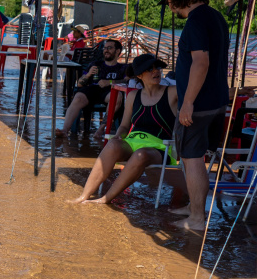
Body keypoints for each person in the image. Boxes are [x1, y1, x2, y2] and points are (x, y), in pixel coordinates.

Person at [162, 0, 229, 231]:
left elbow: (201, 63)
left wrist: (187, 102)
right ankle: (194, 207)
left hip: (199, 104)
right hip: (216, 99)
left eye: (169, 1)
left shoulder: (194, 22)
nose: (169, 7)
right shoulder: (215, 16)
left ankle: (198, 218)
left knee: (192, 158)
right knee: (194, 157)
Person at [68, 54, 178, 204]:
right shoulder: (133, 95)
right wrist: (119, 135)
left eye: (157, 68)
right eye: (150, 69)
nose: (156, 72)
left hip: (159, 146)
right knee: (112, 144)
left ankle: (106, 198)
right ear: (139, 75)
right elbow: (125, 125)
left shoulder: (172, 92)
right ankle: (84, 196)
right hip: (133, 142)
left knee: (141, 154)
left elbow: (192, 91)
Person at [55, 39, 127, 138]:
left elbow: (127, 81)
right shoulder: (95, 64)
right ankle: (65, 130)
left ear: (118, 51)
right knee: (78, 96)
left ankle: (101, 129)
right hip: (92, 89)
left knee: (117, 97)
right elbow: (79, 84)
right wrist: (88, 75)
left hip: (110, 91)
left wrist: (110, 82)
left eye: (109, 48)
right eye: (105, 48)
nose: (106, 50)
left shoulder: (122, 68)